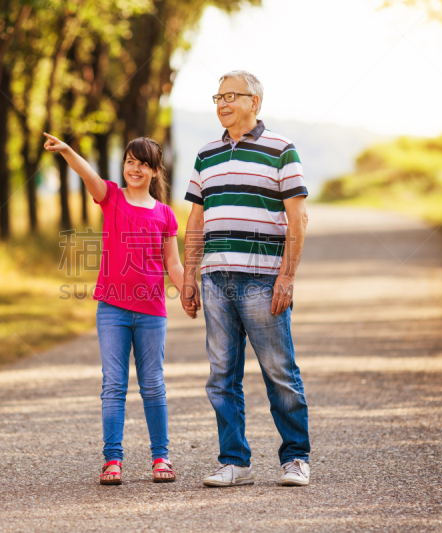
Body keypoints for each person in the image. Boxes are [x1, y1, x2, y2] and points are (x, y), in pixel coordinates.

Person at [180, 70, 312, 487]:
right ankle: (234, 461)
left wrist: (287, 276)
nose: (222, 103)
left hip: (262, 279)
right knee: (221, 375)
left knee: (278, 371)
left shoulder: (281, 150)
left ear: (255, 102)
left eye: (231, 96)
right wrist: (188, 276)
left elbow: (298, 218)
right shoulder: (205, 155)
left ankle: (295, 459)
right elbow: (196, 221)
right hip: (216, 280)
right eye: (217, 97)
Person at [44, 133, 189, 485]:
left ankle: (161, 457)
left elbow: (173, 262)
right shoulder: (111, 197)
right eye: (129, 161)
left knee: (153, 384)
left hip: (153, 310)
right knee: (114, 384)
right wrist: (66, 151)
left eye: (142, 163)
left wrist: (187, 290)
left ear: (155, 171)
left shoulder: (166, 215)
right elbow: (87, 175)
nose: (134, 168)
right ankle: (113, 460)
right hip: (112, 308)